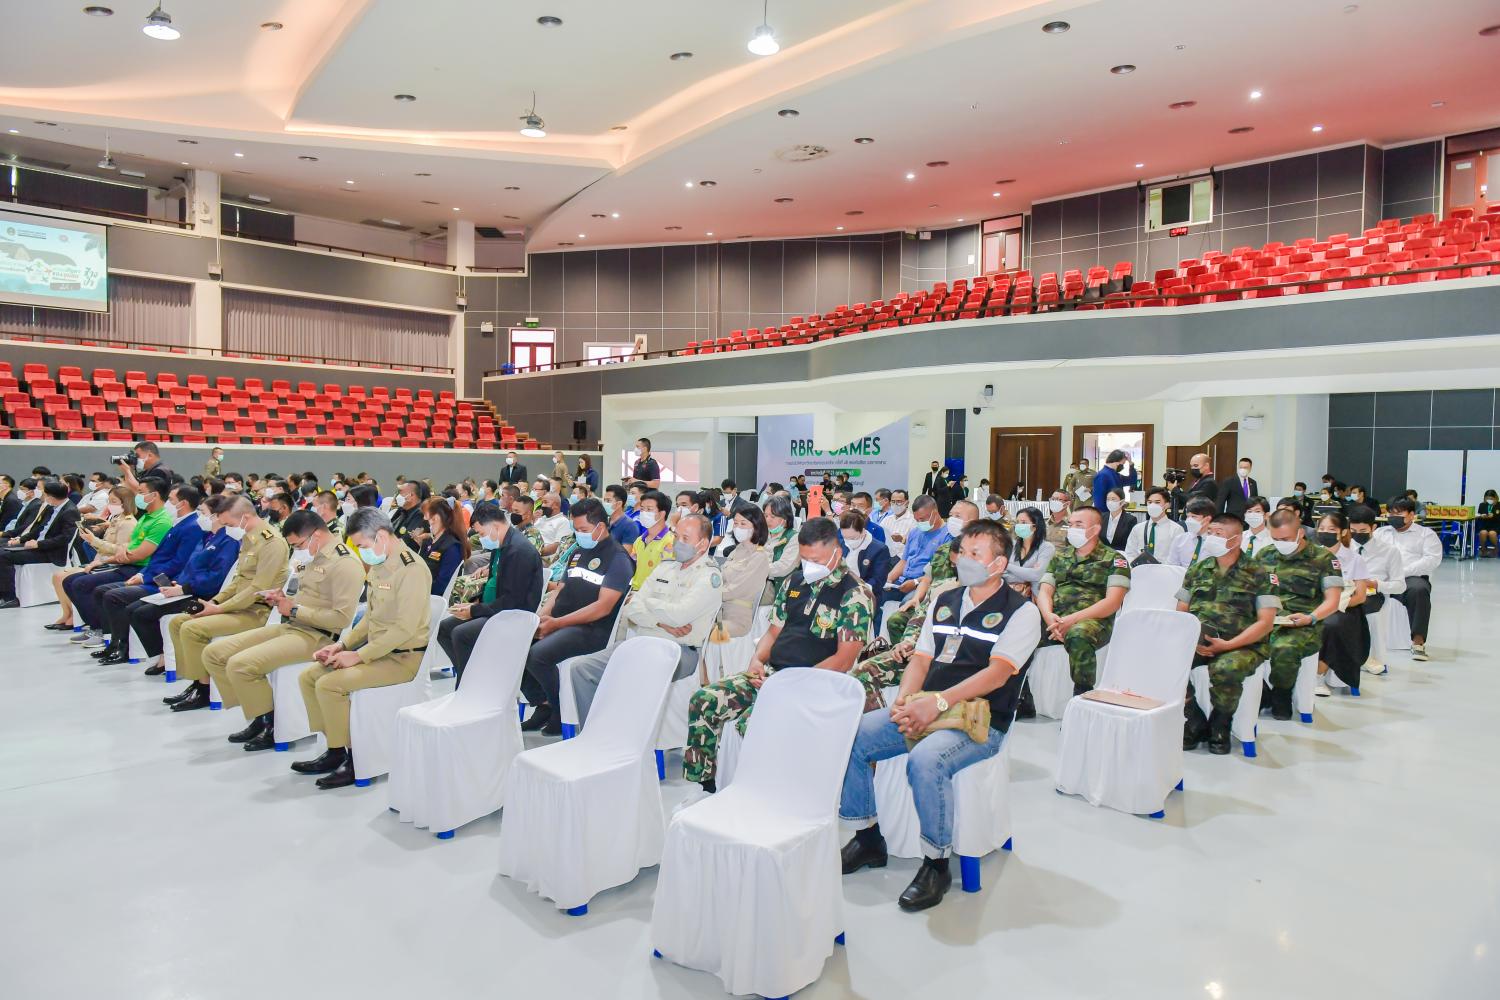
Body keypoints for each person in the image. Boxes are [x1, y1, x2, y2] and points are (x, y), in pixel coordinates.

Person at [837, 519, 1041, 912]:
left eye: (975, 554)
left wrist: (937, 703)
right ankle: (867, 837)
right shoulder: (945, 600)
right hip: (931, 706)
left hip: (980, 721)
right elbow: (922, 656)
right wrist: (907, 699)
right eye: (962, 552)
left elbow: (997, 673)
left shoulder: (1021, 612)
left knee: (926, 760)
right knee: (853, 736)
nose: (964, 560)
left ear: (998, 564)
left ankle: (935, 862)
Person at [682, 517, 872, 793]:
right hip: (772, 675)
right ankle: (706, 787)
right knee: (704, 700)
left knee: (753, 722)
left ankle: (761, 793)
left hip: (814, 685)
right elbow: (772, 632)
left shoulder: (854, 594)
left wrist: (788, 683)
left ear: (836, 553)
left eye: (816, 560)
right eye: (804, 559)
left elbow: (844, 660)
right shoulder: (795, 581)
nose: (809, 566)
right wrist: (757, 660)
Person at [199, 510, 367, 751]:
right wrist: (281, 598)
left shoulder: (345, 563)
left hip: (318, 636)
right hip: (290, 626)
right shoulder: (311, 557)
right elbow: (300, 593)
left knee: (240, 664)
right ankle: (259, 712)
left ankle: (269, 725)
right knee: (214, 653)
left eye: (298, 544)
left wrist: (295, 609)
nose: (296, 550)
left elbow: (340, 619)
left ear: (316, 535)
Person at [290, 508, 432, 789]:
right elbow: (370, 618)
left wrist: (357, 656)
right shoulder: (380, 564)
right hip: (379, 651)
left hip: (403, 658)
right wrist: (341, 645)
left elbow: (403, 629)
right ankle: (335, 750)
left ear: (381, 536)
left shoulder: (411, 569)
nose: (362, 552)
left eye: (363, 546)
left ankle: (355, 760)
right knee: (308, 677)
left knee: (329, 685)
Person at [566, 513, 723, 726]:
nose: (678, 542)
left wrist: (649, 603)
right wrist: (659, 621)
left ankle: (627, 740)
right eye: (677, 536)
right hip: (643, 640)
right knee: (581, 669)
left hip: (679, 650)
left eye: (685, 539)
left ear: (703, 544)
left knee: (630, 675)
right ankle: (594, 733)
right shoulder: (665, 567)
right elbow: (631, 607)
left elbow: (679, 615)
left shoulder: (709, 577)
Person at [163, 496, 291, 712]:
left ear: (245, 517)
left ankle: (204, 691)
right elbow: (237, 581)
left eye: (230, 524)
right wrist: (213, 602)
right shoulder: (249, 538)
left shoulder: (272, 543)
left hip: (257, 611)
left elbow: (257, 588)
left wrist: (219, 608)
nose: (228, 529)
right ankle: (197, 682)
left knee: (192, 628)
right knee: (178, 622)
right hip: (237, 606)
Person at [517, 498, 633, 735]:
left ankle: (560, 712)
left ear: (601, 526)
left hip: (592, 629)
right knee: (516, 644)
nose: (579, 535)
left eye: (584, 530)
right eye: (576, 530)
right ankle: (543, 704)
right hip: (561, 621)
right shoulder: (579, 551)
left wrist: (557, 623)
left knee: (538, 655)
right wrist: (541, 618)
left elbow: (603, 607)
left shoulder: (618, 559)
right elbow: (560, 590)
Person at [1177, 513, 1279, 754]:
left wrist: (1228, 644)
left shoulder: (1260, 573)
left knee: (1225, 668)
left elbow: (1265, 622)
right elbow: (1181, 610)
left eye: (1218, 534)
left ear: (1235, 539)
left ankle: (1220, 724)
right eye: (1209, 533)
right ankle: (1194, 720)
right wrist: (1191, 640)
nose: (1211, 538)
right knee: (1162, 660)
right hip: (1198, 640)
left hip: (1243, 644)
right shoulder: (1198, 568)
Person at [88, 484, 206, 664]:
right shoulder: (178, 523)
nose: (168, 503)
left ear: (182, 503)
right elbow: (157, 557)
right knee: (102, 591)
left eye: (171, 501)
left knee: (114, 597)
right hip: (151, 574)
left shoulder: (191, 527)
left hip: (164, 581)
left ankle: (124, 647)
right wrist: (143, 574)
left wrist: (146, 577)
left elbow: (179, 562)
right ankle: (114, 643)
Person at [127, 495, 241, 674]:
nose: (199, 517)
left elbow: (216, 578)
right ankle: (160, 654)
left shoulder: (228, 541)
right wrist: (177, 582)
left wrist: (183, 588)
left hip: (203, 596)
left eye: (203, 512)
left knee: (142, 614)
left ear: (218, 515)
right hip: (185, 588)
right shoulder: (207, 537)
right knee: (133, 609)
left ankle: (167, 658)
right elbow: (191, 565)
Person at [436, 504, 545, 685]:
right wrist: (474, 604)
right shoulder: (500, 546)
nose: (481, 538)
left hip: (512, 615)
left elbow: (512, 602)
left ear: (495, 526)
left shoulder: (518, 551)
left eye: (481, 534)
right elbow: (493, 584)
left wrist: (474, 610)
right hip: (495, 608)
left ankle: (470, 685)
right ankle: (471, 679)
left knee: (461, 634)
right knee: (445, 628)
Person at [62, 476, 174, 642]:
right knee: (70, 580)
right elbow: (129, 545)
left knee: (84, 584)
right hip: (125, 562)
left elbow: (139, 553)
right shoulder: (146, 517)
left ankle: (102, 630)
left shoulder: (161, 521)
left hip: (137, 567)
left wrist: (106, 558)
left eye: (141, 492)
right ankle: (97, 626)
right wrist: (118, 552)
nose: (138, 496)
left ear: (154, 495)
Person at [1036, 506, 1130, 694]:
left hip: (1094, 621)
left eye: (1079, 525)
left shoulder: (1114, 559)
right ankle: (1023, 697)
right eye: (1070, 525)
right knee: (1021, 626)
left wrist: (1071, 620)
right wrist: (1049, 618)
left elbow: (1112, 602)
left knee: (1079, 634)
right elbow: (1045, 592)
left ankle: (1081, 695)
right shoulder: (1060, 556)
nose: (1072, 529)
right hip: (1055, 619)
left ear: (1095, 529)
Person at [1260, 509, 1343, 720]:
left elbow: (1332, 601)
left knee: (1284, 649)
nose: (1280, 543)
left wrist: (1311, 617)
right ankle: (1261, 692)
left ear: (1301, 533)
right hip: (1268, 617)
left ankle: (1281, 695)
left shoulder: (1324, 559)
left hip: (1305, 622)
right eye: (1275, 538)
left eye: (1286, 538)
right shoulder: (1265, 554)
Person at [53, 485, 135, 629]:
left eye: (114, 501)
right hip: (101, 560)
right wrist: (92, 541)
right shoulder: (116, 519)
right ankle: (77, 617)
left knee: (77, 582)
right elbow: (106, 546)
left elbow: (120, 550)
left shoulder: (128, 523)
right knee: (65, 579)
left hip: (112, 564)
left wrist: (94, 541)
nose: (110, 505)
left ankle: (97, 626)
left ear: (125, 502)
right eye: (109, 501)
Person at [1374, 495, 1441, 661]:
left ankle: (1418, 642)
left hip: (1410, 578)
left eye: (1399, 513)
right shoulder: (1380, 533)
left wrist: (1402, 572)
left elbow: (1432, 559)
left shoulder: (1426, 534)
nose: (1394, 517)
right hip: (1381, 577)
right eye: (1391, 513)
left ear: (1412, 515)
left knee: (1419, 591)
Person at [1313, 511, 1370, 696]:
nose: (1325, 533)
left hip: (1346, 609)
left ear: (1342, 532)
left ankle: (1318, 675)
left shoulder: (1355, 559)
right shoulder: (1311, 556)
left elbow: (1361, 596)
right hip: (1315, 607)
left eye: (1331, 529)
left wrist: (1335, 606)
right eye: (1321, 529)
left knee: (1331, 625)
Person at [0, 480, 81, 609]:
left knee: (3, 557)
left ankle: (10, 597)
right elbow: (40, 528)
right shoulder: (52, 507)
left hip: (50, 551)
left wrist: (39, 544)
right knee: (3, 549)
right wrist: (22, 539)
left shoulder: (70, 511)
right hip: (38, 545)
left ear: (51, 496)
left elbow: (64, 538)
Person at [715, 504, 773, 639]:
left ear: (756, 526)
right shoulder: (736, 551)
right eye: (735, 523)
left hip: (737, 618)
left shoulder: (759, 557)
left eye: (743, 524)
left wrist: (709, 595)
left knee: (702, 630)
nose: (737, 528)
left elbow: (736, 590)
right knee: (690, 625)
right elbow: (720, 578)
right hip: (719, 611)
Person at [886, 495, 949, 603]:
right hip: (903, 582)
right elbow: (904, 561)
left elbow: (938, 573)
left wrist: (915, 582)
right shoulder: (915, 532)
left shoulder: (947, 536)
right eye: (917, 519)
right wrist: (889, 579)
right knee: (876, 594)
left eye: (922, 519)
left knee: (907, 603)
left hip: (924, 584)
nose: (920, 522)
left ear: (935, 512)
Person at [839, 509, 892, 618]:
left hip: (865, 594)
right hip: (840, 590)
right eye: (845, 538)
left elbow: (878, 580)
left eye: (853, 538)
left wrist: (857, 591)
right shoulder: (841, 544)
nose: (849, 541)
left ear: (862, 531)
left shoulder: (879, 549)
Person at [419, 497, 468, 597]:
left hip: (432, 599)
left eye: (426, 514)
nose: (424, 518)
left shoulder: (452, 547)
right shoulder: (428, 541)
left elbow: (442, 585)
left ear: (435, 518)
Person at [1002, 506, 1054, 596]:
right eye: (1017, 522)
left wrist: (1006, 565)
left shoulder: (1047, 548)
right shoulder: (1011, 545)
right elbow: (1000, 572)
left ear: (1035, 526)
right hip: (1008, 592)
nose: (1018, 525)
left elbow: (1036, 575)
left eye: (1023, 522)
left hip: (1033, 595)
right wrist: (1026, 577)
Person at [628, 490, 674, 591]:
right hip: (634, 591)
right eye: (642, 509)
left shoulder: (670, 542)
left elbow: (666, 578)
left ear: (662, 514)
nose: (644, 513)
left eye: (649, 509)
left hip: (654, 595)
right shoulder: (639, 540)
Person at [1124, 486, 1182, 565]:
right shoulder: (1138, 528)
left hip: (1165, 573)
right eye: (1149, 502)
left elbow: (1178, 558)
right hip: (1141, 572)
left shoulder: (1176, 529)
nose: (1152, 505)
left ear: (1167, 505)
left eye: (1157, 502)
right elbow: (1129, 553)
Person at [1166, 497, 1218, 567]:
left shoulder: (1217, 542)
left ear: (1207, 519)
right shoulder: (1180, 539)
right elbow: (1171, 566)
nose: (1189, 520)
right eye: (1188, 517)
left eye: (1194, 517)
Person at [1091, 449, 1139, 517]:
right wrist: (1105, 516)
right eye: (1122, 464)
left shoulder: (1115, 474)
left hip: (1116, 512)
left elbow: (1132, 480)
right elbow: (1099, 500)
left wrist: (1131, 463)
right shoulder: (1102, 475)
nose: (1123, 466)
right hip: (1106, 514)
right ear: (1117, 462)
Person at [390, 480, 429, 552]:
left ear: (411, 495)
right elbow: (388, 527)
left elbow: (407, 542)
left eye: (401, 492)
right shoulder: (401, 510)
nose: (398, 496)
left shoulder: (421, 515)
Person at [535, 492, 572, 564]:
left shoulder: (563, 521)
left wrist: (536, 552)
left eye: (545, 502)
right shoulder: (540, 519)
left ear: (556, 505)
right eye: (542, 502)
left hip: (545, 559)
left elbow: (558, 545)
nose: (542, 505)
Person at [602, 484, 643, 549]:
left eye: (608, 500)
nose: (605, 503)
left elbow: (625, 554)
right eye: (604, 500)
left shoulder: (630, 526)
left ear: (619, 504)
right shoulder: (605, 522)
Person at [1101, 486, 1136, 550]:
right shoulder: (1101, 517)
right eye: (1108, 499)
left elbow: (1131, 543)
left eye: (1113, 499)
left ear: (1122, 502)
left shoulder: (1130, 520)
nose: (1110, 502)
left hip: (1121, 555)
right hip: (1103, 555)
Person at [884, 489, 915, 553]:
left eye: (899, 501)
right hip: (886, 558)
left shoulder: (914, 521)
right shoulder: (886, 520)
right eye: (893, 501)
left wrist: (902, 540)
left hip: (903, 559)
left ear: (907, 503)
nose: (895, 504)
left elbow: (917, 545)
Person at [1476, 489, 1499, 557]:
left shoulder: (1499, 505)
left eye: (1491, 498)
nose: (1489, 500)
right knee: (1483, 533)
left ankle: (1496, 549)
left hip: (1496, 525)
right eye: (1487, 498)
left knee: (1492, 533)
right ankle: (1483, 550)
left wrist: (1494, 516)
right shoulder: (1482, 505)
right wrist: (1482, 516)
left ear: (1495, 498)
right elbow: (1479, 515)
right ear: (1485, 498)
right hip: (1485, 525)